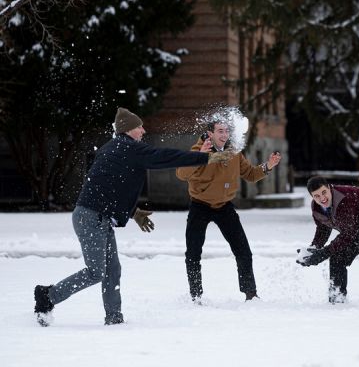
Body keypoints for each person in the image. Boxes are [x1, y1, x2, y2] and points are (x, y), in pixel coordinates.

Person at [33, 107, 232, 326]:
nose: (143, 130)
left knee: (112, 271)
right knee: (96, 272)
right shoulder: (128, 148)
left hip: (98, 217)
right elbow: (163, 156)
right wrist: (204, 158)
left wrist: (133, 212)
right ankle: (48, 296)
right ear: (128, 130)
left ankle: (114, 318)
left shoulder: (115, 148)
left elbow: (110, 187)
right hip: (91, 218)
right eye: (139, 127)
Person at [175, 119, 281, 303]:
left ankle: (251, 294)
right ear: (210, 134)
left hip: (224, 207)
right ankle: (196, 296)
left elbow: (251, 174)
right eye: (220, 131)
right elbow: (181, 174)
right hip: (200, 205)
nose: (224, 135)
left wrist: (268, 166)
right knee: (193, 253)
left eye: (226, 131)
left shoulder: (233, 153)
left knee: (243, 251)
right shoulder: (198, 151)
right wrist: (199, 156)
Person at [297, 176, 359, 309]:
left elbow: (348, 235)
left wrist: (323, 253)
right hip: (358, 226)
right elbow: (323, 230)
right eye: (317, 196)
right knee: (337, 258)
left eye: (324, 192)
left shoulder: (344, 199)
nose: (322, 198)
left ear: (330, 188)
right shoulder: (317, 208)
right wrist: (313, 249)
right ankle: (337, 300)